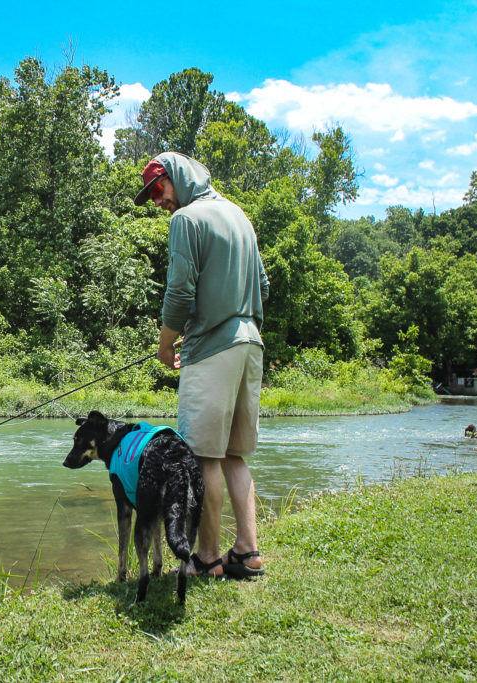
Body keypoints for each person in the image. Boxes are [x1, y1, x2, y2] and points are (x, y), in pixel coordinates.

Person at [134, 152, 269, 580]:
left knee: (202, 457)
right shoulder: (239, 215)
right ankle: (247, 552)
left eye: (158, 188)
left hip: (213, 351)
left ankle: (208, 558)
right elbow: (263, 284)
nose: (157, 201)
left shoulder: (187, 220)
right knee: (233, 454)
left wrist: (166, 344)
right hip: (250, 345)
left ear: (176, 177)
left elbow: (178, 291)